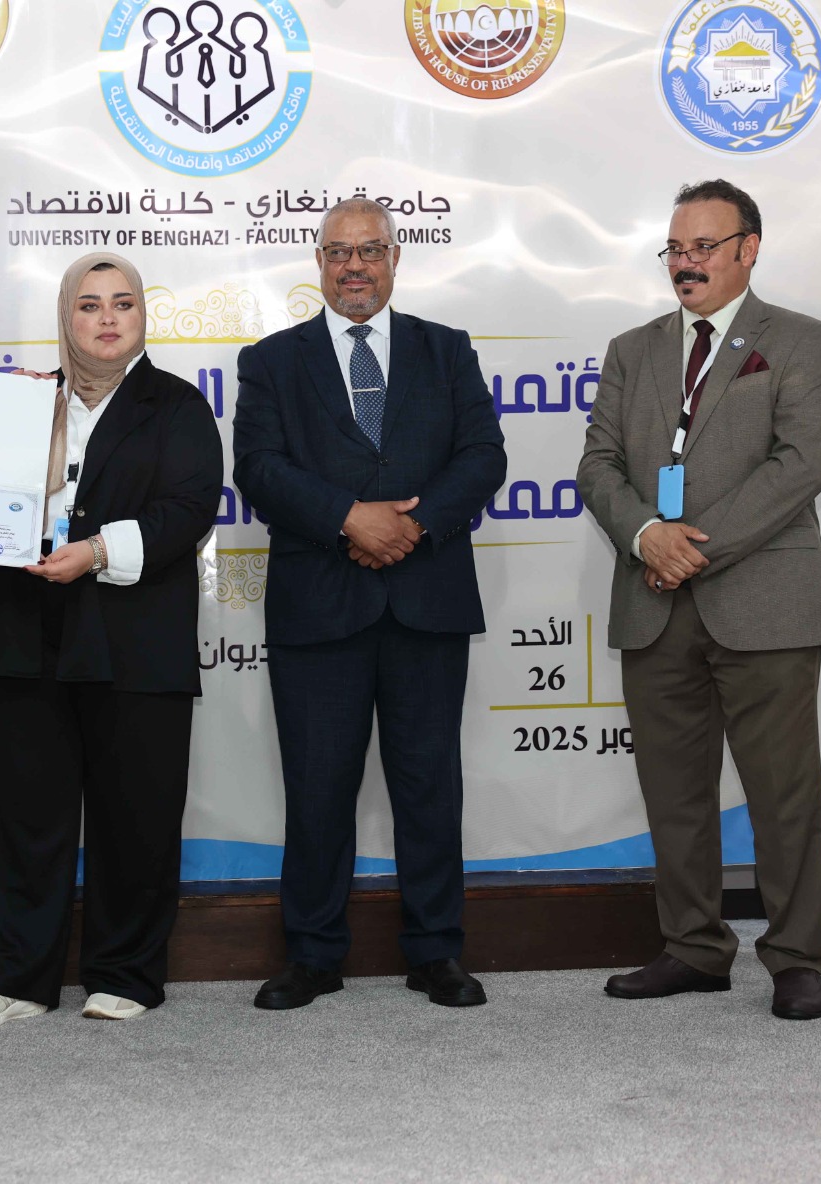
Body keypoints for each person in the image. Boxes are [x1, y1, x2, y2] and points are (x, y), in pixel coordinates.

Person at [577, 180, 821, 1021]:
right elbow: (598, 465)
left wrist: (687, 550)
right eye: (675, 248)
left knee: (783, 795)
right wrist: (643, 536)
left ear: (748, 249)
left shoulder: (801, 340)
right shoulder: (633, 349)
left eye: (703, 246)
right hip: (654, 602)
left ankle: (796, 958)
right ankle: (694, 949)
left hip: (765, 600)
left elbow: (800, 466)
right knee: (675, 795)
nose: (685, 263)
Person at [233, 198, 506, 1011]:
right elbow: (259, 467)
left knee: (429, 786)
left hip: (427, 600)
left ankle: (436, 951)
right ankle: (313, 955)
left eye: (371, 251)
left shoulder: (446, 349)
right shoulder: (271, 361)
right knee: (317, 789)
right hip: (320, 606)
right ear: (319, 262)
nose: (355, 267)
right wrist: (349, 519)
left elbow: (483, 455)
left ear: (395, 258)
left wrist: (409, 526)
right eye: (339, 252)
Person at [0, 253, 223, 1028]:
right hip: (29, 629)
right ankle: (14, 978)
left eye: (122, 303)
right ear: (65, 317)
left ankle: (126, 972)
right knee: (22, 815)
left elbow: (188, 510)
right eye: (89, 304)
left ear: (142, 317)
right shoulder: (24, 404)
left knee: (135, 815)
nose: (107, 319)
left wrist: (96, 551)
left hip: (136, 636)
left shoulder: (176, 406)